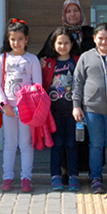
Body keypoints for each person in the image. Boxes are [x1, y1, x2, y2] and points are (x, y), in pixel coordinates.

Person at [72, 23, 107, 194]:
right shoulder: (86, 57)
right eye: (100, 38)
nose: (104, 41)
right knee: (96, 145)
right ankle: (96, 177)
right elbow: (78, 82)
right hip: (92, 109)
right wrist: (76, 106)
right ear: (95, 39)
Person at [0, 19, 42, 193]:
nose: (17, 43)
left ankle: (26, 177)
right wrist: (3, 103)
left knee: (26, 143)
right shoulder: (1, 59)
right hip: (8, 110)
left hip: (26, 110)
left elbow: (37, 85)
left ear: (26, 39)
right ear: (8, 39)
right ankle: (7, 177)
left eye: (20, 39)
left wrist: (29, 104)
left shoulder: (32, 59)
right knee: (10, 143)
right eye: (13, 39)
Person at [41, 27, 80, 191]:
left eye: (66, 43)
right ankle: (55, 176)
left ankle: (73, 176)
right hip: (53, 112)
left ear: (72, 44)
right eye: (59, 43)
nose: (63, 46)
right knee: (56, 144)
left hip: (73, 112)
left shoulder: (77, 60)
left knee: (71, 144)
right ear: (53, 44)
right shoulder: (47, 62)